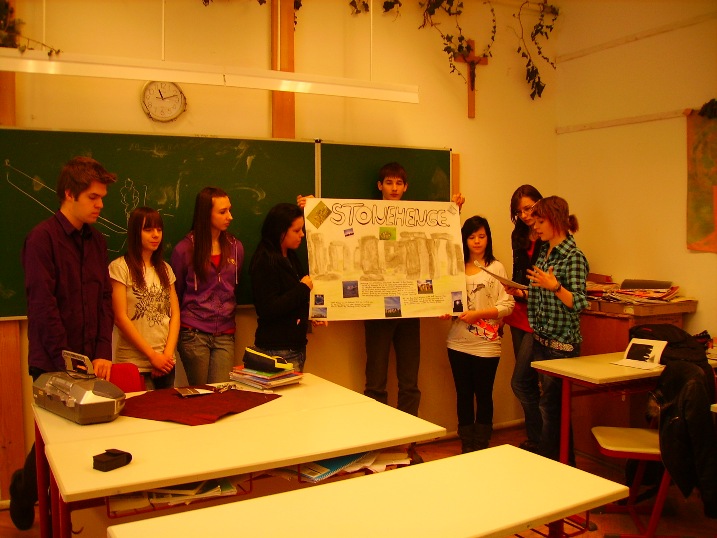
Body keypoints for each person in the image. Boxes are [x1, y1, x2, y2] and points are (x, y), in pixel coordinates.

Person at [298, 162, 464, 418]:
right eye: (389, 182)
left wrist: (454, 210)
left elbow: (443, 229)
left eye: (399, 183)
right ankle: (380, 433)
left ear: (406, 187)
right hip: (376, 310)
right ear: (380, 186)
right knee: (375, 381)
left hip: (411, 311)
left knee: (410, 382)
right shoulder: (364, 215)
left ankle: (410, 435)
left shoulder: (418, 215)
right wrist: (310, 207)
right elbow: (333, 225)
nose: (394, 188)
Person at [9, 156, 117, 530]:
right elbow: (43, 305)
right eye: (93, 197)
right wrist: (66, 363)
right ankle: (31, 493)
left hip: (89, 358)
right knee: (54, 438)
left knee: (78, 435)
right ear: (69, 194)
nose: (100, 205)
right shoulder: (42, 239)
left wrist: (102, 352)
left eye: (102, 198)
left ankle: (49, 501)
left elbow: (104, 300)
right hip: (52, 360)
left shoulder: (98, 242)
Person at [508, 195, 589, 462]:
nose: (535, 227)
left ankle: (558, 463)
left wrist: (555, 287)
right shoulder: (545, 252)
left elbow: (579, 302)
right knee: (541, 399)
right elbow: (540, 293)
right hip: (541, 337)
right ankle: (555, 458)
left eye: (540, 222)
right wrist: (522, 292)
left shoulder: (573, 257)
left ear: (556, 221)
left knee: (553, 408)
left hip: (561, 344)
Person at [442, 216, 514, 453]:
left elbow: (508, 305)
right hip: (457, 342)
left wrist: (478, 314)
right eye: (471, 237)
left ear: (488, 238)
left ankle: (482, 443)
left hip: (487, 344)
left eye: (481, 236)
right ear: (464, 240)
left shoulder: (496, 267)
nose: (477, 241)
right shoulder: (456, 267)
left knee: (483, 394)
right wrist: (445, 311)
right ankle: (467, 444)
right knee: (463, 395)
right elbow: (448, 301)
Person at [170, 187, 243, 385]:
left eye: (229, 210)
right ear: (206, 214)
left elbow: (234, 287)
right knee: (202, 394)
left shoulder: (235, 247)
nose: (230, 216)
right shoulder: (185, 249)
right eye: (223, 212)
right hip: (194, 333)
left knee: (221, 391)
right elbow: (176, 294)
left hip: (225, 333)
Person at [249, 203, 325, 372]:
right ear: (280, 231)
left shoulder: (290, 256)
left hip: (295, 346)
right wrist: (302, 289)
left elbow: (295, 300)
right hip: (277, 350)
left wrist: (314, 314)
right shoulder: (265, 261)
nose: (302, 234)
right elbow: (268, 308)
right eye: (296, 230)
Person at [109, 207, 179, 389]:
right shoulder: (120, 267)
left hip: (166, 364)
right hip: (134, 364)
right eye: (148, 230)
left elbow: (175, 315)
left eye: (159, 229)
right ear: (135, 232)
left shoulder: (165, 269)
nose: (155, 235)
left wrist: (166, 356)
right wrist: (152, 356)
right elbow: (120, 318)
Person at [503, 184, 545, 453]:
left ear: (540, 203)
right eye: (519, 212)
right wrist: (511, 288)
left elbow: (546, 280)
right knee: (526, 381)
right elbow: (519, 271)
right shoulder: (518, 234)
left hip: (538, 315)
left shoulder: (548, 234)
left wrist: (526, 292)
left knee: (522, 380)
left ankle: (543, 439)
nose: (525, 216)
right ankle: (535, 438)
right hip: (518, 312)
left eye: (528, 208)